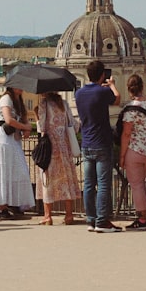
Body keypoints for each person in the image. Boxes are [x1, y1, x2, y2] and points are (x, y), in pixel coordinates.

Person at [75, 61, 120, 232]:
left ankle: (91, 219)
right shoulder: (102, 92)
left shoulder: (79, 94)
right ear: (102, 75)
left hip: (86, 142)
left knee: (88, 184)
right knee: (102, 184)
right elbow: (117, 99)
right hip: (102, 142)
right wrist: (113, 85)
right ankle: (102, 221)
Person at [118, 74, 146, 231]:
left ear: (129, 90)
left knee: (137, 185)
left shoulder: (129, 109)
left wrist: (122, 155)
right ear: (142, 87)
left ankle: (142, 219)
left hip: (135, 150)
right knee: (143, 184)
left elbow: (126, 134)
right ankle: (145, 216)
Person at [0, 85, 34, 219]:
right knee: (3, 172)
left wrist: (27, 128)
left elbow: (21, 120)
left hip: (13, 140)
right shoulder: (6, 99)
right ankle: (2, 208)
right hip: (4, 139)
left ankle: (15, 203)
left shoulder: (18, 102)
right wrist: (25, 126)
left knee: (19, 171)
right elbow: (8, 120)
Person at [36, 91, 80, 225]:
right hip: (64, 146)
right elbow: (74, 125)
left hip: (50, 147)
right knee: (66, 179)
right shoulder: (64, 104)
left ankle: (48, 216)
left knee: (47, 179)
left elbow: (41, 127)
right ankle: (69, 215)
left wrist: (36, 115)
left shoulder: (44, 104)